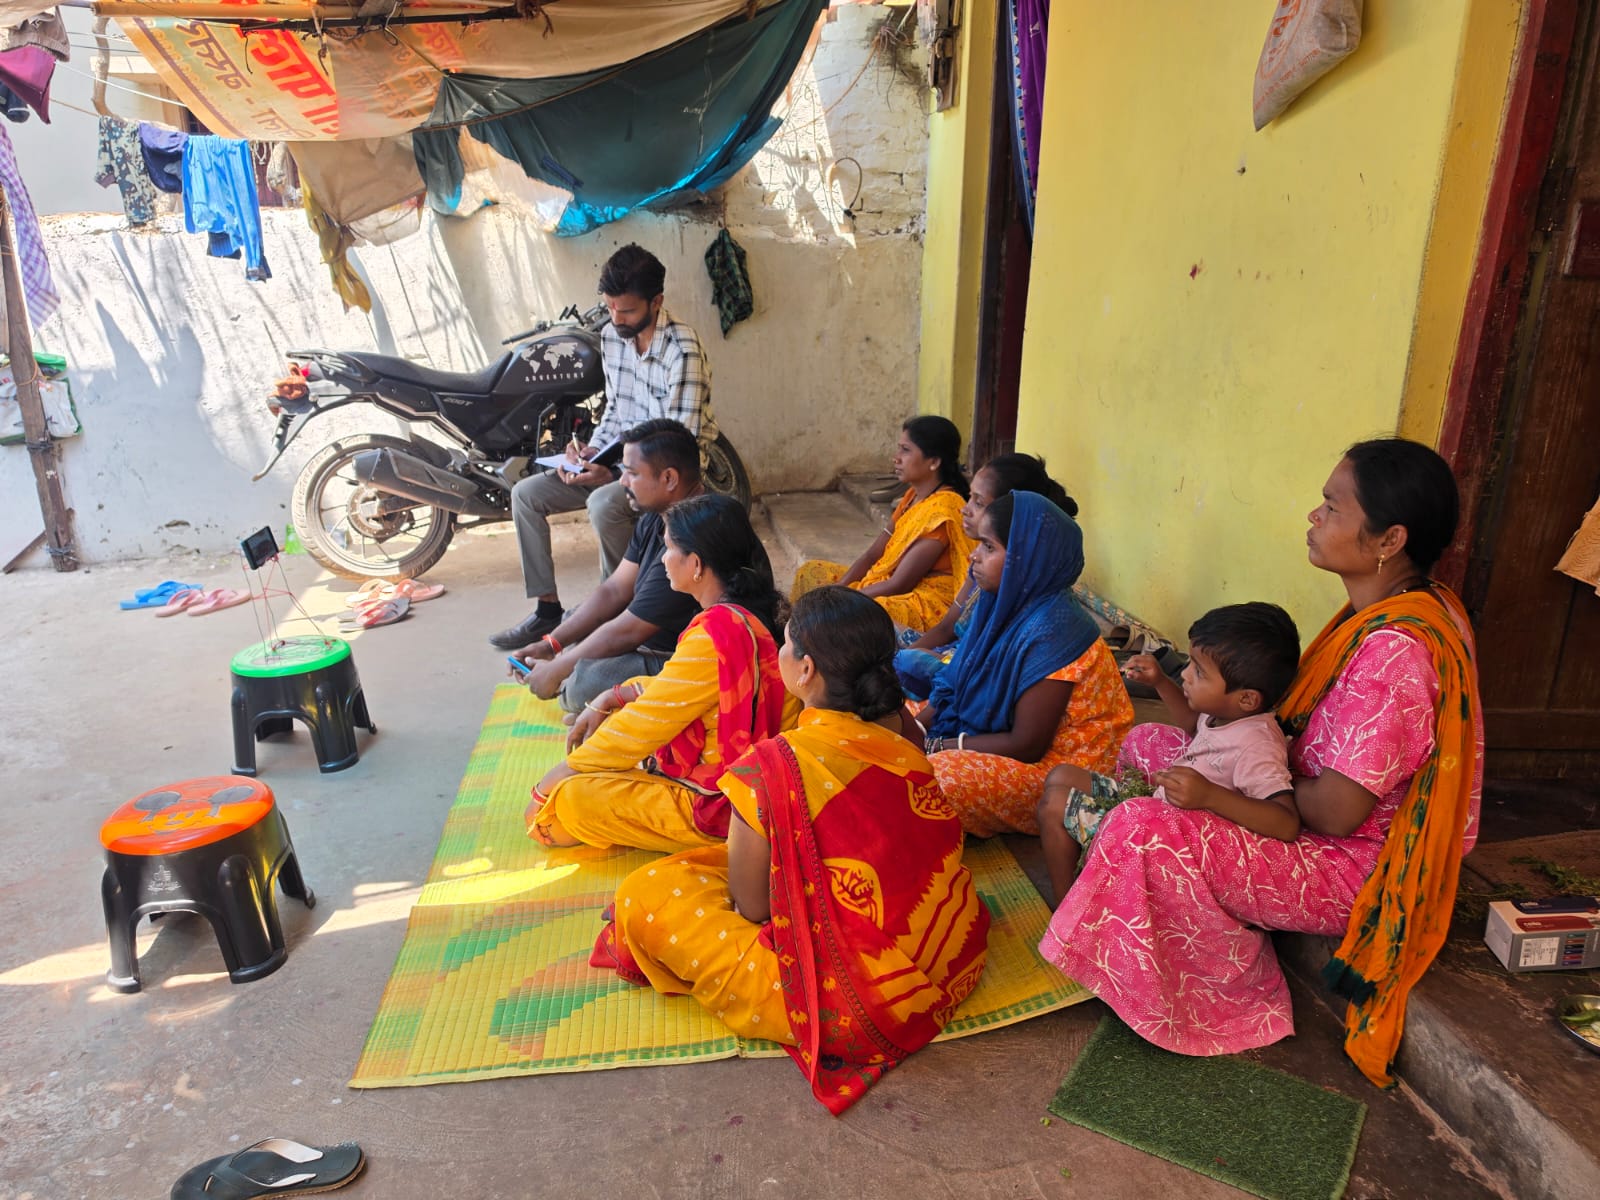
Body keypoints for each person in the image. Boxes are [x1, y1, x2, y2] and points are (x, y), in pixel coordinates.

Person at [1039, 438, 1483, 1088]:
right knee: (1151, 743)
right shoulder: (1387, 613)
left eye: (1333, 507)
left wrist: (1243, 780)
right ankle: (1136, 890)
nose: (1314, 515)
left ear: (1389, 540)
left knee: (1142, 824)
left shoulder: (1399, 652)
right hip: (1293, 796)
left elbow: (1338, 812)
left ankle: (1214, 988)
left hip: (1349, 864)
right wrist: (1241, 761)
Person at [591, 587, 990, 1113]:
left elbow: (754, 908)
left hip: (854, 999)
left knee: (645, 894)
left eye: (784, 643)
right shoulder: (903, 726)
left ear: (805, 670)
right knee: (715, 860)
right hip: (946, 942)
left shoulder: (771, 767)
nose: (777, 653)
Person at [526, 494, 791, 852]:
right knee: (610, 718)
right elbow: (678, 688)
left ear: (695, 564)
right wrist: (614, 695)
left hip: (722, 804)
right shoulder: (741, 613)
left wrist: (549, 783)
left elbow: (643, 725)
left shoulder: (715, 634)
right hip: (743, 771)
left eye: (668, 549)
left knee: (568, 801)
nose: (663, 559)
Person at [491, 244, 719, 649]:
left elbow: (679, 447)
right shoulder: (613, 337)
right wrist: (590, 453)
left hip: (665, 476)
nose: (616, 318)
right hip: (622, 463)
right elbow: (615, 409)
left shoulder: (682, 350)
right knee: (526, 494)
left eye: (626, 310)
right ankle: (547, 610)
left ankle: (620, 615)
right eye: (610, 307)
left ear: (656, 302)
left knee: (603, 503)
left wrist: (615, 474)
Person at [1036, 602, 1301, 904]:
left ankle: (1070, 910)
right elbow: (1193, 725)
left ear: (1247, 699)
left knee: (1055, 806)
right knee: (1061, 776)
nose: (1185, 675)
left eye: (1199, 672)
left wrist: (1210, 796)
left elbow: (1286, 823)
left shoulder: (1257, 744)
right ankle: (1086, 890)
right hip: (1155, 810)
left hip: (1168, 846)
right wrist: (1161, 682)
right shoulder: (1226, 713)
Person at [915, 491, 1134, 838]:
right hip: (1007, 742)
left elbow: (1027, 744)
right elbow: (955, 686)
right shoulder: (1000, 604)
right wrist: (917, 728)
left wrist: (935, 745)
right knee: (895, 712)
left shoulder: (1055, 632)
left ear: (1026, 558)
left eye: (989, 547)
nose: (974, 555)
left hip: (1062, 771)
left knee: (936, 777)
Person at [510, 419, 703, 715]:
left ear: (669, 479)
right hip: (650, 636)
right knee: (576, 623)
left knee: (584, 685)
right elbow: (614, 589)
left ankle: (574, 685)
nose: (622, 481)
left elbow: (630, 629)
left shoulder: (692, 537)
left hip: (685, 659)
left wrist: (558, 669)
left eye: (632, 473)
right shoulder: (659, 514)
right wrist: (552, 645)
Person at [895, 452, 1077, 697]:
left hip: (972, 669)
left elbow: (995, 669)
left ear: (1008, 514)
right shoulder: (982, 564)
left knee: (900, 662)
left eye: (978, 503)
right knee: (871, 628)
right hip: (958, 654)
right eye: (970, 497)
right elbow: (948, 627)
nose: (965, 509)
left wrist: (901, 664)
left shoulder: (1028, 587)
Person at [790, 416, 974, 633]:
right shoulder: (911, 497)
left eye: (906, 450)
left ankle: (817, 648)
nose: (896, 458)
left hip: (926, 601)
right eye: (899, 449)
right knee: (810, 572)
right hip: (891, 584)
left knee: (862, 612)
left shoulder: (942, 512)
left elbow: (900, 584)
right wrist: (838, 590)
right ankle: (797, 641)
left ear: (933, 462)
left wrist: (841, 600)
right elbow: (872, 555)